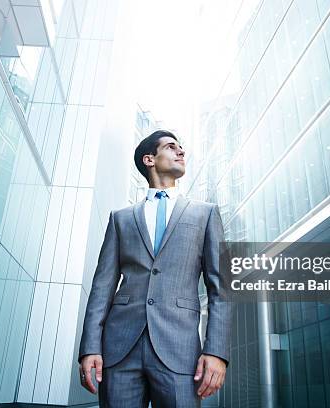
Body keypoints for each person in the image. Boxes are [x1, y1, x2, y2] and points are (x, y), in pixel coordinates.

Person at [78, 130, 232, 407]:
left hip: (180, 350)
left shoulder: (206, 214)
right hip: (119, 349)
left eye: (181, 148)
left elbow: (221, 288)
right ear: (149, 159)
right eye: (172, 147)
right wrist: (90, 347)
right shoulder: (120, 219)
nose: (181, 152)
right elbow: (102, 288)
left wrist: (216, 352)